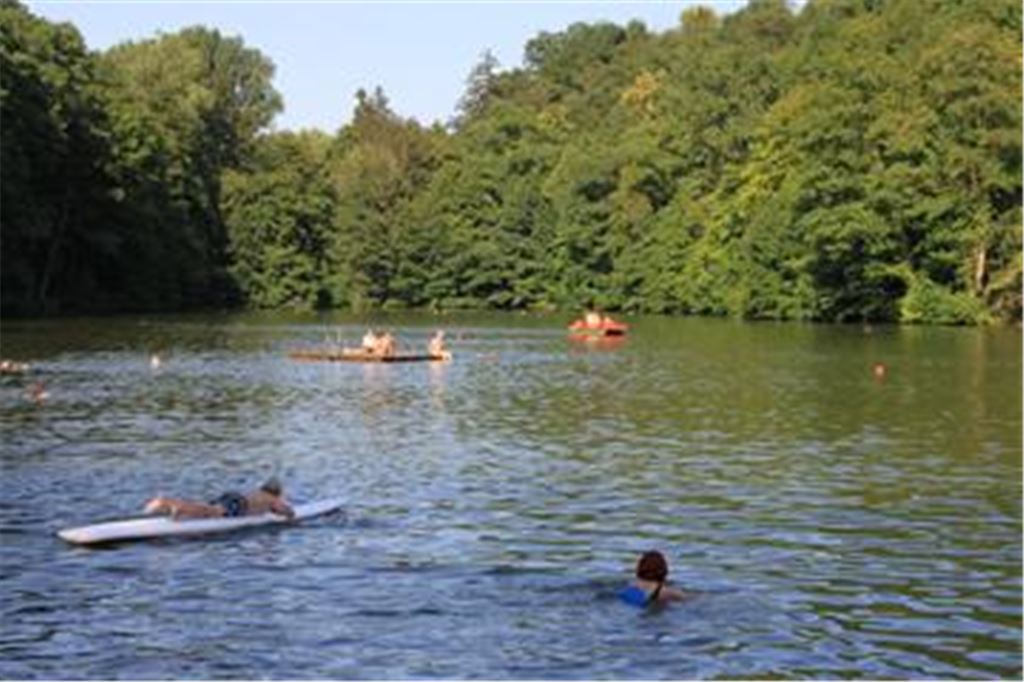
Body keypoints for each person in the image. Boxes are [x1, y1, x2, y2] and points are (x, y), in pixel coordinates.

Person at [143, 477, 296, 521]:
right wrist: (290, 515)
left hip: (235, 496)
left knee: (207, 510)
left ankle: (179, 511)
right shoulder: (272, 499)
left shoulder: (259, 493)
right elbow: (288, 512)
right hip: (239, 504)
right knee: (211, 511)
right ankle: (169, 503)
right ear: (277, 492)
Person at [619, 550, 687, 607]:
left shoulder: (630, 584)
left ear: (639, 569)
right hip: (654, 599)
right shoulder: (667, 592)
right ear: (664, 571)